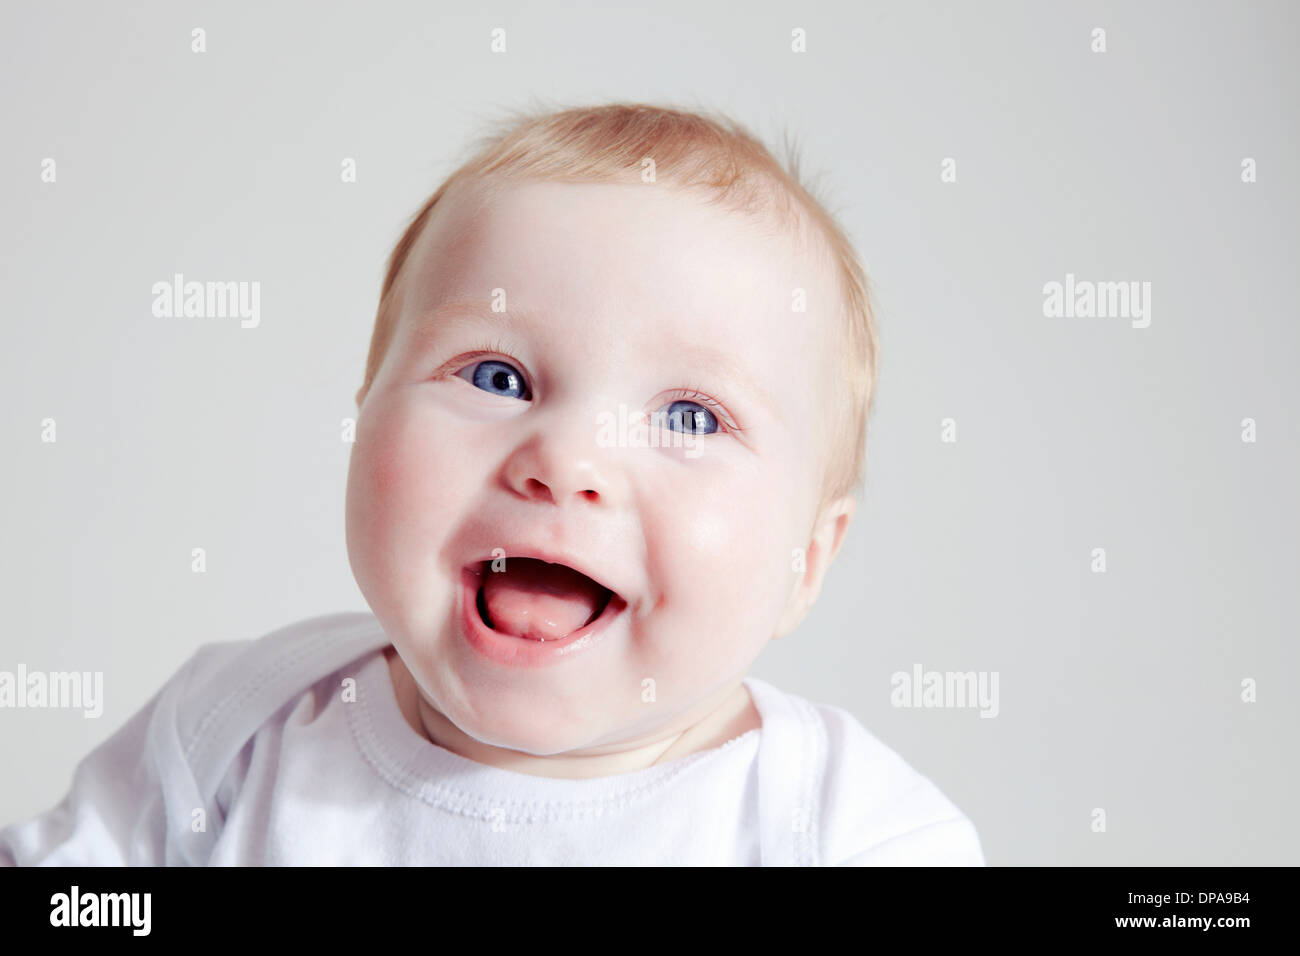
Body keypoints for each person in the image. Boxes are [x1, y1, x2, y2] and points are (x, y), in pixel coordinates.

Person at [2, 102, 985, 865]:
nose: (566, 459)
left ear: (807, 562)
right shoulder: (238, 729)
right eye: (495, 376)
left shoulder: (851, 832)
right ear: (364, 409)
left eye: (689, 417)